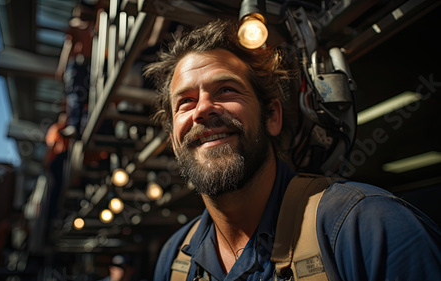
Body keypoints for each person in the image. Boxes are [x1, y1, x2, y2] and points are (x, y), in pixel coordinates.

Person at [144, 19, 441, 280]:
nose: (203, 109)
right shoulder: (175, 261)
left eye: (226, 90)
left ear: (272, 116)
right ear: (173, 140)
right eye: (185, 102)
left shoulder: (367, 227)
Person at [56, 4, 97, 138]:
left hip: (89, 65)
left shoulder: (90, 26)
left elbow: (68, 47)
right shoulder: (78, 26)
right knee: (76, 96)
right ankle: (75, 126)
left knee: (83, 96)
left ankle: (80, 126)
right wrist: (62, 67)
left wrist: (62, 68)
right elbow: (68, 46)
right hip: (79, 65)